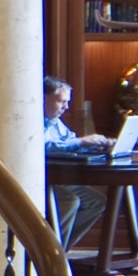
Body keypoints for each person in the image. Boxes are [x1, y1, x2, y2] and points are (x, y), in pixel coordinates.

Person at [43, 77, 113, 259]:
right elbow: (44, 146)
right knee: (70, 200)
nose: (65, 107)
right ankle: (51, 256)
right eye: (61, 101)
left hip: (58, 178)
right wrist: (81, 141)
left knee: (97, 201)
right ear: (43, 98)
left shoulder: (54, 121)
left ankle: (58, 250)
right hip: (42, 180)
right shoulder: (32, 119)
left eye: (67, 102)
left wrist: (96, 144)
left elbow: (69, 140)